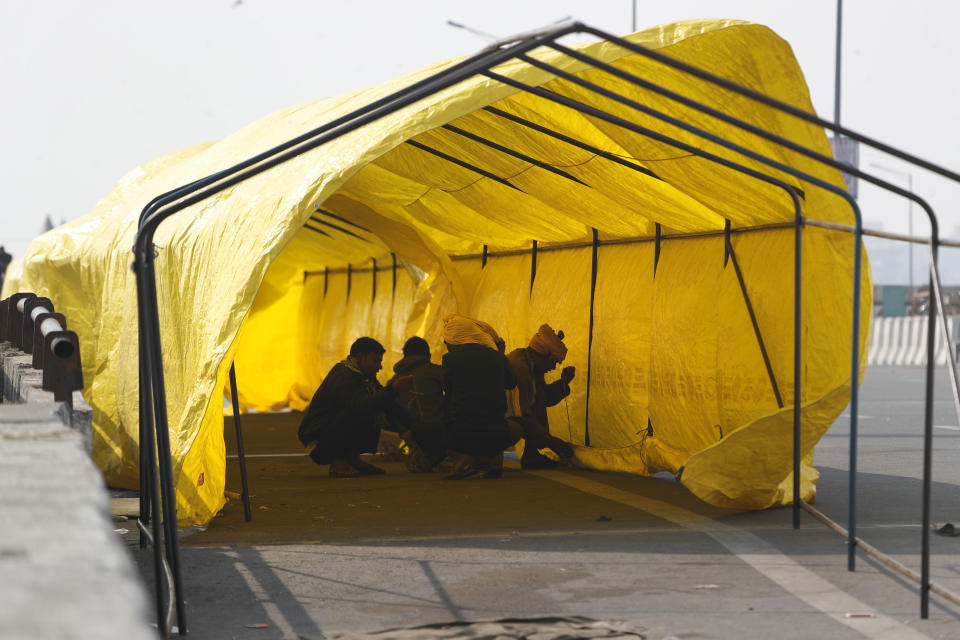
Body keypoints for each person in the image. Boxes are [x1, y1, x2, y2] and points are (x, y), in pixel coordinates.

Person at [297, 337, 413, 477]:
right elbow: (361, 405)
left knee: (375, 404)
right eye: (376, 361)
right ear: (361, 357)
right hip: (318, 443)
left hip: (328, 436)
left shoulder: (364, 377)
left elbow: (389, 405)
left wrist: (415, 427)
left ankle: (352, 460)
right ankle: (339, 463)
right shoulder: (343, 376)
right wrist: (392, 389)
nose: (380, 367)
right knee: (360, 410)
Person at [441, 314, 522, 479]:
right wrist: (501, 356)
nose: (445, 344)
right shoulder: (498, 356)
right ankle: (491, 458)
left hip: (462, 433)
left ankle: (469, 456)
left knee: (434, 426)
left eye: (446, 341)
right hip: (497, 432)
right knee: (517, 427)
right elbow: (511, 382)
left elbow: (448, 393)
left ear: (456, 339)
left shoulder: (450, 360)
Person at [507, 324, 576, 469]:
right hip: (497, 418)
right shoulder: (520, 369)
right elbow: (522, 414)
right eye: (553, 362)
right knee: (516, 427)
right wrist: (549, 441)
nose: (553, 368)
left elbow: (543, 398)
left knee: (538, 401)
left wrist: (563, 383)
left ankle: (531, 455)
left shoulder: (532, 366)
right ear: (540, 355)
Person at [387, 336, 446, 471]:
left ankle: (420, 451)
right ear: (428, 354)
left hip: (407, 431)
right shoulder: (436, 372)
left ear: (405, 355)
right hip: (436, 429)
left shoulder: (394, 380)